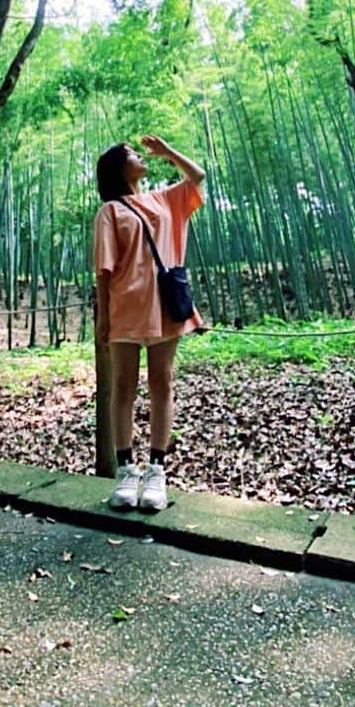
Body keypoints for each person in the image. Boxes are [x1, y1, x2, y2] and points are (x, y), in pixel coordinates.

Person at [93, 135, 205, 511]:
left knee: (162, 382)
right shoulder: (110, 211)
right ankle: (126, 471)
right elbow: (104, 273)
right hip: (125, 308)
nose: (141, 157)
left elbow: (198, 175)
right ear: (118, 167)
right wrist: (102, 320)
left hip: (164, 307)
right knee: (123, 387)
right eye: (133, 154)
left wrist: (170, 152)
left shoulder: (164, 199)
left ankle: (157, 470)